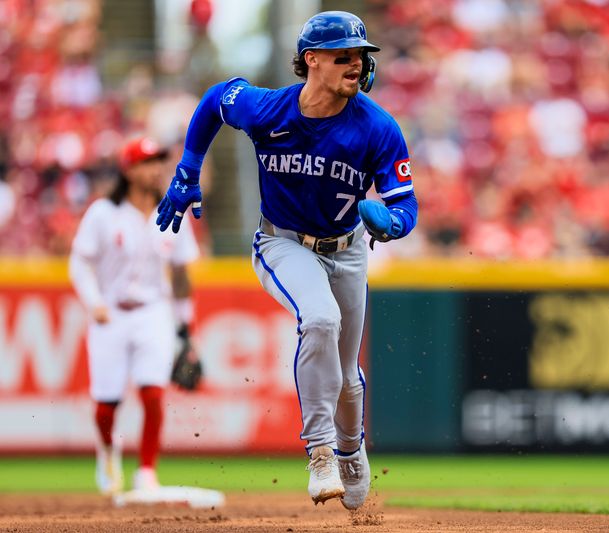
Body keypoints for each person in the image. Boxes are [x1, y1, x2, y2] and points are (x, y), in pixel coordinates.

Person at [154, 11, 418, 508]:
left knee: (347, 377)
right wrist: (189, 166)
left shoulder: (377, 127)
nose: (356, 64)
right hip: (283, 241)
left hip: (349, 248)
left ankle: (350, 446)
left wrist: (394, 222)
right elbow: (215, 99)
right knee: (319, 319)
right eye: (344, 54)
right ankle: (319, 451)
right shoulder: (269, 109)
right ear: (311, 60)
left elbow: (406, 204)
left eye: (361, 56)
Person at [69, 136, 200, 495]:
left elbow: (181, 274)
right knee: (107, 404)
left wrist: (185, 328)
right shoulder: (104, 212)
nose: (155, 168)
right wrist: (93, 301)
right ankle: (108, 450)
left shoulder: (173, 210)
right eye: (146, 161)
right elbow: (80, 262)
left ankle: (146, 470)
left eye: (158, 160)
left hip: (154, 312)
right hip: (110, 314)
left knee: (153, 394)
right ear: (128, 168)